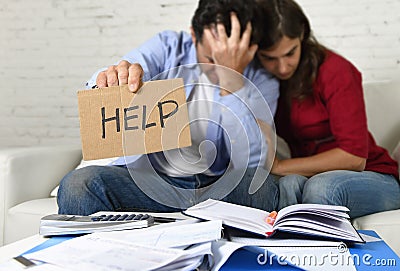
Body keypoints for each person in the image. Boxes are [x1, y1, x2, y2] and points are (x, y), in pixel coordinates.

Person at [57, 0, 280, 216]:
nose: (218, 68)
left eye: (229, 59)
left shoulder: (263, 80)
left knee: (262, 188)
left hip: (217, 186)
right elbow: (122, 72)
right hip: (152, 181)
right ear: (194, 35)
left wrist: (232, 81)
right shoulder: (168, 47)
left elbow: (252, 163)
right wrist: (114, 79)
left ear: (249, 49)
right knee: (78, 185)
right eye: (211, 58)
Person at [255, 0, 400, 218]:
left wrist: (280, 165)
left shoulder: (335, 71)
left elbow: (355, 158)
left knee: (322, 187)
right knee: (288, 185)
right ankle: (285, 250)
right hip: (311, 176)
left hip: (373, 176)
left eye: (290, 53)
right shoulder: (265, 81)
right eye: (270, 58)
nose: (282, 67)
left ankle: (330, 252)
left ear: (302, 35)